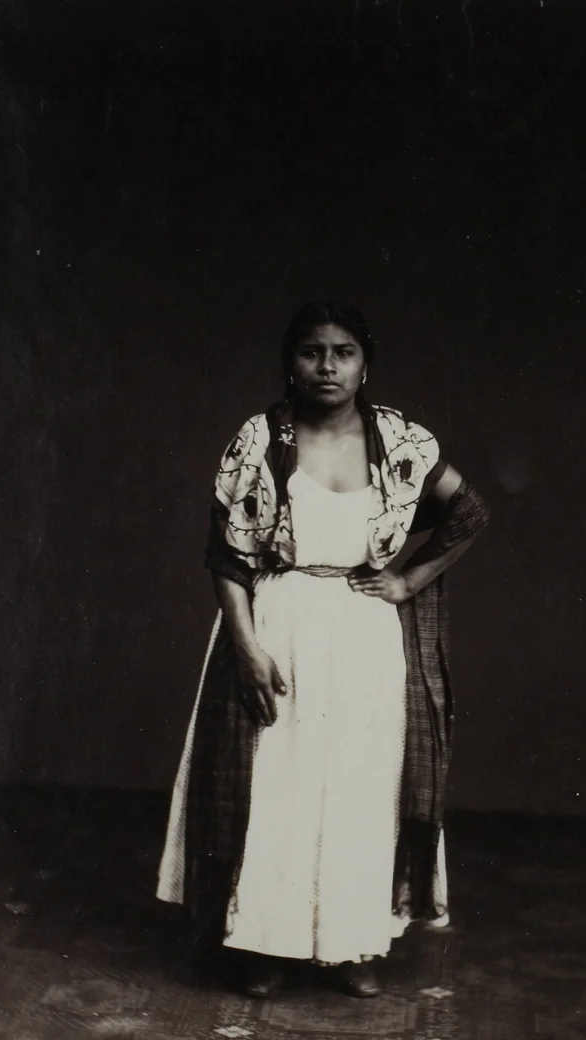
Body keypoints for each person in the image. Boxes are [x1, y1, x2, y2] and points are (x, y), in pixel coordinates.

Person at [157, 300, 489, 999]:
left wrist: (409, 579)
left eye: (343, 352)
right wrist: (246, 648)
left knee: (361, 786)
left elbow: (469, 511)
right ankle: (264, 945)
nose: (327, 366)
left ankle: (351, 943)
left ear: (365, 364)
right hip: (279, 622)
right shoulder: (259, 439)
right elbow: (227, 558)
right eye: (311, 352)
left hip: (364, 632)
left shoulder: (399, 441)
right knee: (278, 783)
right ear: (290, 363)